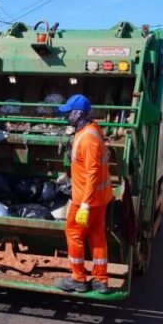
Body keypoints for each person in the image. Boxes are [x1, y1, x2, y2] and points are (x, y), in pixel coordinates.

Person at [56, 94, 114, 294]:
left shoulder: (88, 138)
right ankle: (100, 280)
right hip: (99, 198)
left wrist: (85, 205)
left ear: (79, 114)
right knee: (97, 236)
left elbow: (92, 173)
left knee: (73, 234)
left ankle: (78, 278)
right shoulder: (91, 130)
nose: (66, 117)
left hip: (86, 200)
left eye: (68, 113)